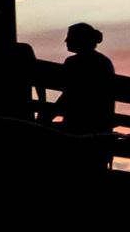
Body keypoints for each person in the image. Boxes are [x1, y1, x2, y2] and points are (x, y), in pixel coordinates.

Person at [50, 22, 117, 162]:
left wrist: (45, 117)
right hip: (100, 127)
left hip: (78, 127)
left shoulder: (74, 62)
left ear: (81, 39)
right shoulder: (104, 62)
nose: (66, 40)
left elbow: (69, 95)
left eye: (69, 36)